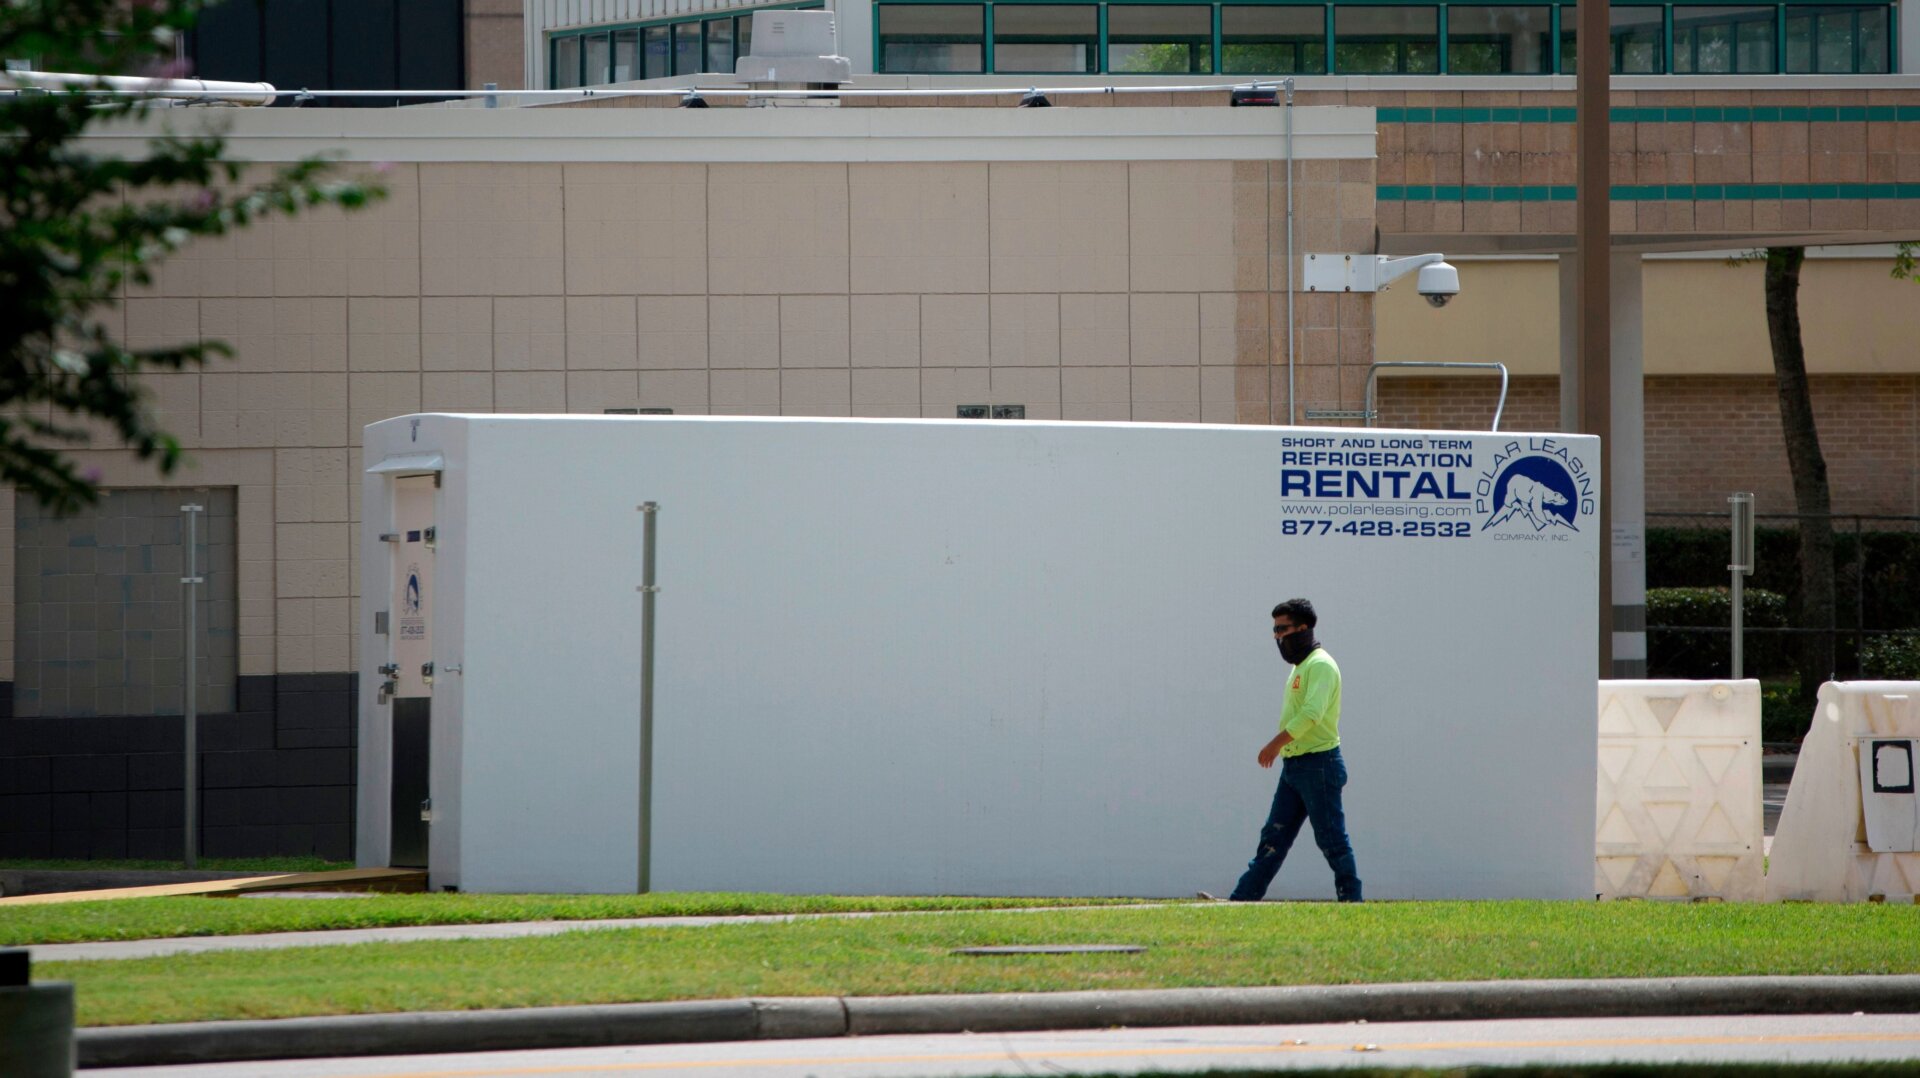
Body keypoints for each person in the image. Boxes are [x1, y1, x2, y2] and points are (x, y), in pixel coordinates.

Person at [1218, 598, 1362, 903]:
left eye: (1283, 629)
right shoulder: (1301, 667)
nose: (1278, 637)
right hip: (1296, 766)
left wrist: (1274, 744)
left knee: (1331, 839)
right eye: (1275, 631)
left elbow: (1311, 714)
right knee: (1274, 837)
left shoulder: (1320, 665)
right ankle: (1242, 899)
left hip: (1319, 764)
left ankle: (1352, 901)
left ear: (1303, 627)